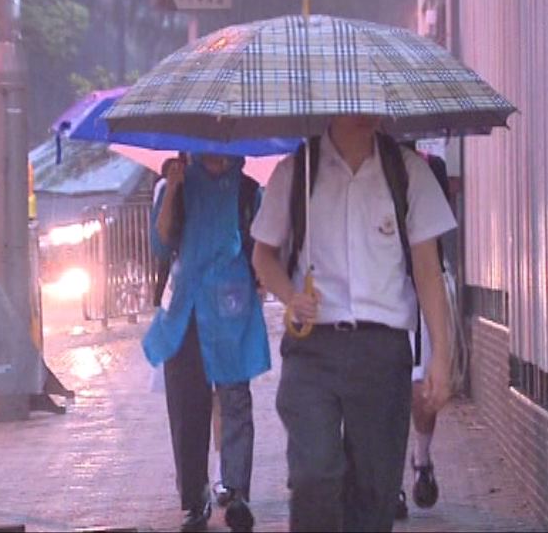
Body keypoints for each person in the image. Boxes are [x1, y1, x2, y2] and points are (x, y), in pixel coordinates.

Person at [251, 115, 456, 532]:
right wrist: (290, 296)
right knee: (314, 472)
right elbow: (262, 255)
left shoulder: (406, 172)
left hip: (382, 350)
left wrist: (442, 356)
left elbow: (427, 269)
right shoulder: (296, 172)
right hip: (313, 348)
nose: (366, 108)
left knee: (375, 489)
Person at [145, 152, 271, 533]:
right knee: (188, 406)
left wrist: (265, 281)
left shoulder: (247, 190)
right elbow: (161, 244)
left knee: (235, 400)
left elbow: (261, 248)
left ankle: (237, 492)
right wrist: (173, 189)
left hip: (232, 309)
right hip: (186, 310)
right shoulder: (175, 184)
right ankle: (194, 498)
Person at [397, 151, 453, 519]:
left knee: (420, 387)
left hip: (418, 288)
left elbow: (435, 237)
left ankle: (422, 458)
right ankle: (390, 483)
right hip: (379, 289)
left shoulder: (430, 167)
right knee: (382, 391)